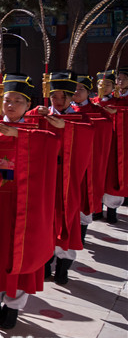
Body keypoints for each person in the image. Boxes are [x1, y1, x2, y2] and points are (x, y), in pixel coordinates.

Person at [0, 74, 60, 330]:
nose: (11, 106)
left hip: (22, 206)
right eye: (7, 100)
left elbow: (52, 143)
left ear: (27, 105)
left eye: (18, 101)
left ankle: (13, 309)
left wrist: (19, 135)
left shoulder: (36, 131)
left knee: (18, 257)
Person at [27, 71, 94, 285]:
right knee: (45, 220)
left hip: (68, 177)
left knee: (67, 219)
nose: (57, 100)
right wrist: (37, 111)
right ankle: (45, 264)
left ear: (70, 96)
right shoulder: (42, 114)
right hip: (46, 177)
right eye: (53, 96)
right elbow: (25, 122)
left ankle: (63, 267)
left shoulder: (78, 117)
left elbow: (89, 133)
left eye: (61, 96)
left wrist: (66, 126)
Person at [72, 73, 113, 242]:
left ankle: (81, 236)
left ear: (89, 92)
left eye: (81, 89)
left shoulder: (97, 112)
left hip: (88, 159)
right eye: (73, 89)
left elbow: (105, 128)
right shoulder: (65, 110)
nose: (76, 92)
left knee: (85, 196)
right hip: (70, 160)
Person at [96, 69, 128, 224]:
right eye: (102, 84)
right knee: (98, 175)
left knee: (112, 175)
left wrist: (118, 112)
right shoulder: (94, 102)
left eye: (109, 84)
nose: (105, 87)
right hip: (98, 146)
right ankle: (96, 208)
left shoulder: (119, 102)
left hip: (115, 144)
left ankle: (112, 210)